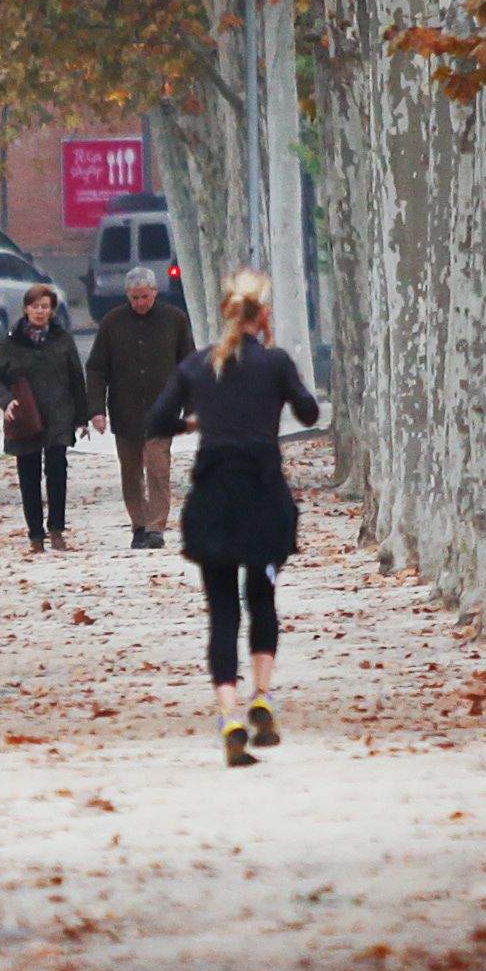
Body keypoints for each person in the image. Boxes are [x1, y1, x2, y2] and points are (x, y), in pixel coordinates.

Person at [150, 271, 322, 766]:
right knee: (262, 597)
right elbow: (309, 413)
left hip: (212, 503)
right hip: (264, 500)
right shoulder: (275, 364)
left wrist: (194, 421)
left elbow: (156, 421)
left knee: (222, 610)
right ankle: (262, 696)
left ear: (225, 313)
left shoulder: (196, 366)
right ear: (261, 316)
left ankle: (228, 715)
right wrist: (276, 379)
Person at [83, 264, 196, 547]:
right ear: (127, 295)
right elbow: (97, 369)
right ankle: (139, 524)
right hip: (125, 411)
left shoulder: (175, 320)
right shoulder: (112, 323)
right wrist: (97, 410)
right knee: (131, 470)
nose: (140, 303)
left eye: (144, 297)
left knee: (158, 467)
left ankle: (156, 528)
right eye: (134, 298)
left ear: (155, 293)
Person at [0, 283, 91, 550]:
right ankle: (35, 534)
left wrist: (81, 417)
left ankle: (56, 529)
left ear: (52, 310)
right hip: (25, 416)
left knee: (57, 470)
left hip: (58, 413)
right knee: (28, 474)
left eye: (45, 307)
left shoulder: (62, 339)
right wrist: (6, 401)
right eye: (35, 306)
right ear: (25, 309)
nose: (40, 312)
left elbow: (77, 378)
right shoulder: (10, 342)